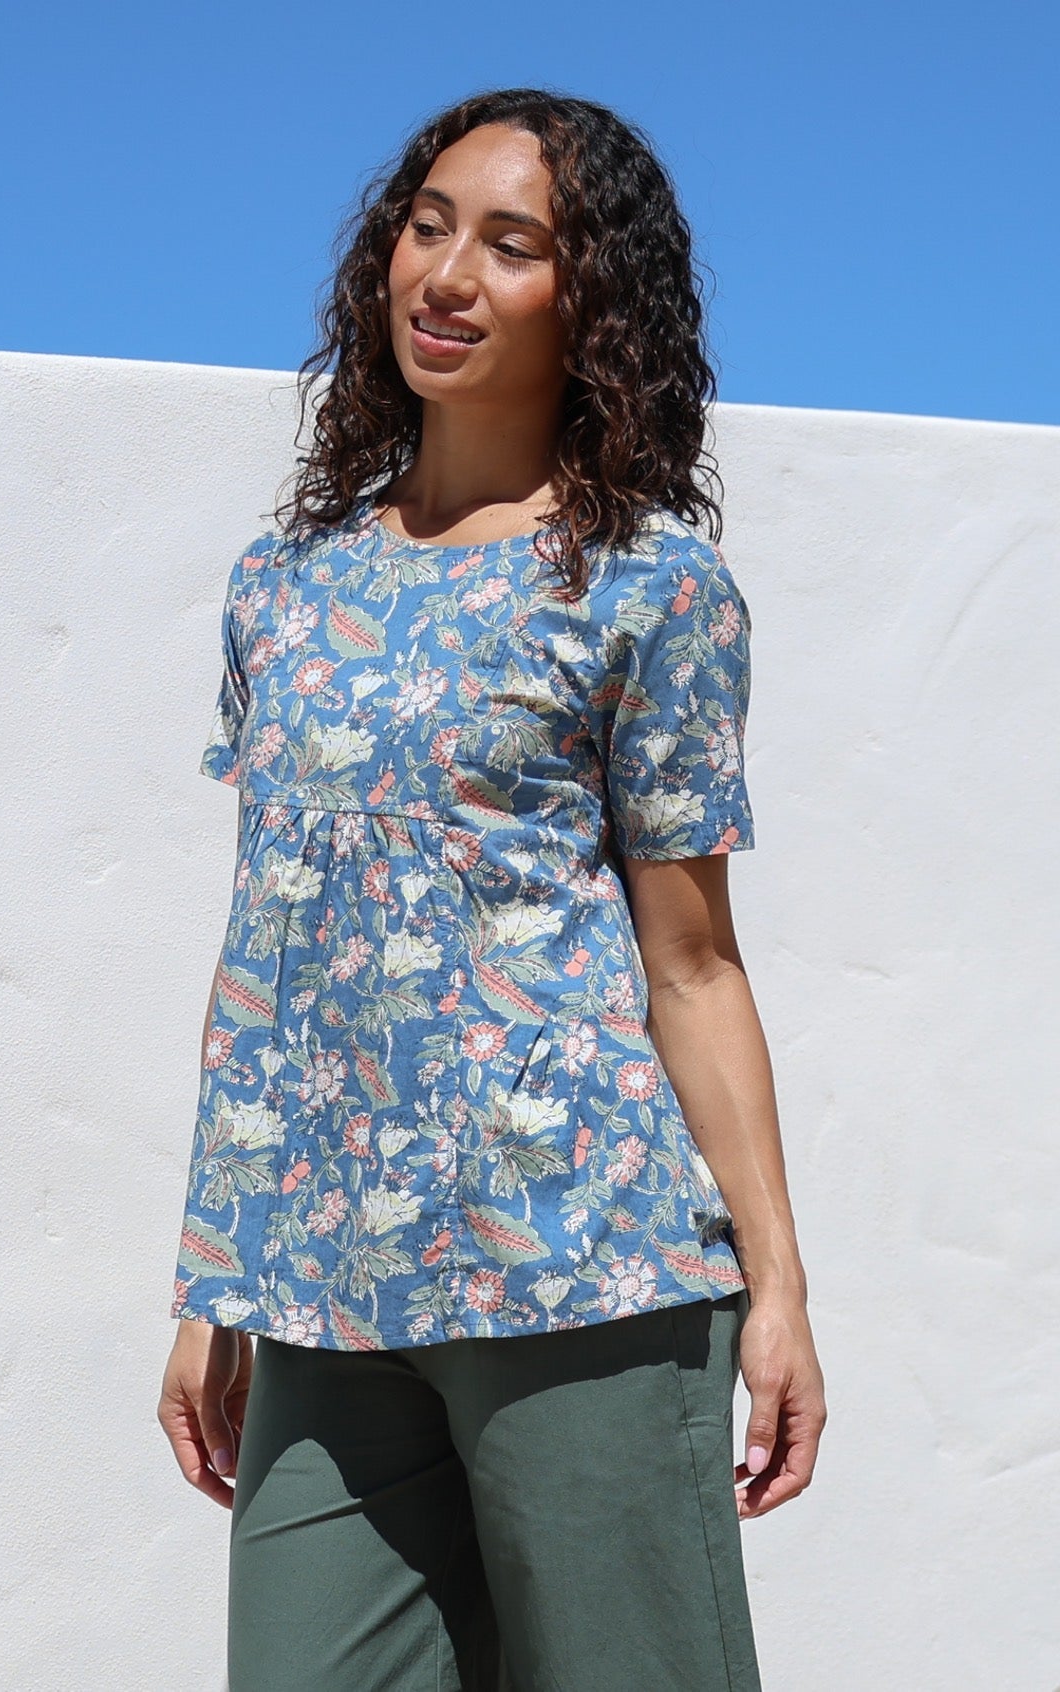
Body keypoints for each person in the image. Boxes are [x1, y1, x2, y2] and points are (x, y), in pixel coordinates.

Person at [157, 86, 826, 1692]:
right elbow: (272, 941)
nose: (446, 275)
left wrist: (781, 1288)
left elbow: (693, 965)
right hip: (325, 1286)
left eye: (511, 245)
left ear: (588, 304)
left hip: (583, 1265)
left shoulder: (652, 587)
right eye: (429, 225)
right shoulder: (285, 584)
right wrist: (212, 1270)